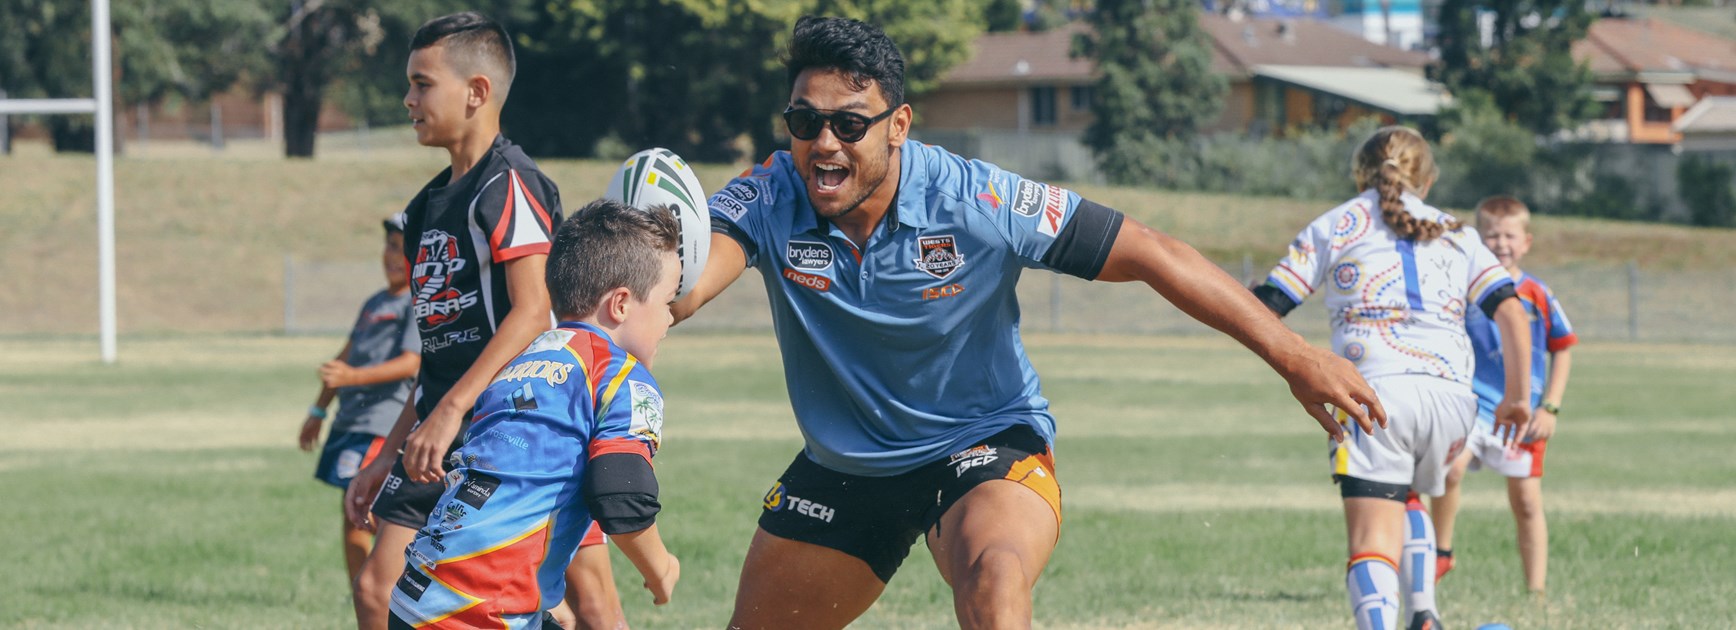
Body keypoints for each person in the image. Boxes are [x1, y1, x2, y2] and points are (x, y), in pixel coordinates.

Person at [669, 16, 1385, 629]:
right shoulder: (769, 194)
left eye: (849, 124)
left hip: (981, 446)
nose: (823, 143)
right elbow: (687, 284)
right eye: (805, 122)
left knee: (995, 581)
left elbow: (1153, 253)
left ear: (899, 124)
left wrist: (1293, 353)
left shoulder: (974, 196)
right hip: (846, 464)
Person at [336, 12, 620, 630]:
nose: (408, 99)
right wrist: (390, 449)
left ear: (477, 91)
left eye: (422, 83)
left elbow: (532, 311)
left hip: (526, 428)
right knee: (378, 590)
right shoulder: (423, 210)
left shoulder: (509, 183)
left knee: (591, 603)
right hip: (443, 430)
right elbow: (440, 351)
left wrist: (453, 409)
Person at [1251, 127, 1534, 630]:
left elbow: (1268, 307)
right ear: (1425, 181)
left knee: (1370, 543)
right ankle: (1424, 613)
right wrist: (1516, 398)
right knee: (1406, 498)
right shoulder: (1457, 231)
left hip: (1373, 395)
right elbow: (1511, 311)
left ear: (1361, 173)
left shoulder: (1336, 224)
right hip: (1453, 400)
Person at [387, 199, 683, 630]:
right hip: (481, 613)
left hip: (420, 596)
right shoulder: (618, 376)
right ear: (620, 304)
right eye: (668, 301)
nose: (671, 319)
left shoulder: (522, 363)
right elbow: (620, 493)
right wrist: (661, 569)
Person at [1430, 196, 1577, 594]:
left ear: (1526, 241)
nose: (1500, 243)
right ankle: (1443, 552)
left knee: (1526, 501)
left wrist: (1550, 407)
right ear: (1478, 240)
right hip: (1471, 407)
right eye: (1491, 235)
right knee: (1450, 469)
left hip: (1522, 414)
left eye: (1510, 235)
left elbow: (1562, 345)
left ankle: (1536, 591)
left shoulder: (1537, 294)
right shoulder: (1463, 292)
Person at [298, 213, 421, 584]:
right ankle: (364, 599)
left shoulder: (415, 304)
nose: (389, 255)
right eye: (387, 245)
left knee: (366, 516)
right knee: (353, 512)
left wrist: (352, 377)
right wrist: (318, 409)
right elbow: (344, 357)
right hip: (350, 423)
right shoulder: (374, 303)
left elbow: (410, 362)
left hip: (382, 426)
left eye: (399, 248)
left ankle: (380, 596)